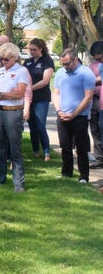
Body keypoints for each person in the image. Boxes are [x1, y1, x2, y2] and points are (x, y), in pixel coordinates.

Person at [0, 42, 31, 193]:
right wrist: (4, 94)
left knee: (15, 148)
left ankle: (19, 183)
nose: (3, 62)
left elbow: (19, 93)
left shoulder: (22, 71)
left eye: (6, 59)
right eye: (2, 59)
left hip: (13, 112)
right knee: (0, 147)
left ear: (14, 57)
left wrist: (1, 94)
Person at [53, 48, 95, 184]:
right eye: (63, 63)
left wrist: (74, 113)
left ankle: (83, 176)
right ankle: (66, 172)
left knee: (81, 148)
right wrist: (59, 111)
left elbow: (88, 97)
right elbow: (56, 93)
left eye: (67, 63)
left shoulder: (86, 73)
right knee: (65, 146)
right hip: (63, 115)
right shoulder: (60, 73)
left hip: (79, 117)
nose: (65, 67)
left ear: (76, 59)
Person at [23, 38, 55, 161]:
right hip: (29, 98)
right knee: (32, 126)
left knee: (40, 125)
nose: (31, 52)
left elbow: (45, 80)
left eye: (34, 49)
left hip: (42, 98)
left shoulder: (47, 61)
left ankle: (47, 151)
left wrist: (30, 88)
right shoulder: (28, 62)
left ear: (41, 48)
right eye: (30, 49)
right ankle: (35, 151)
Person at [87, 41, 103, 169]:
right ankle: (99, 158)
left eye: (98, 56)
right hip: (94, 99)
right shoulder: (93, 65)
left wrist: (94, 80)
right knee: (95, 129)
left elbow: (97, 79)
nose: (96, 59)